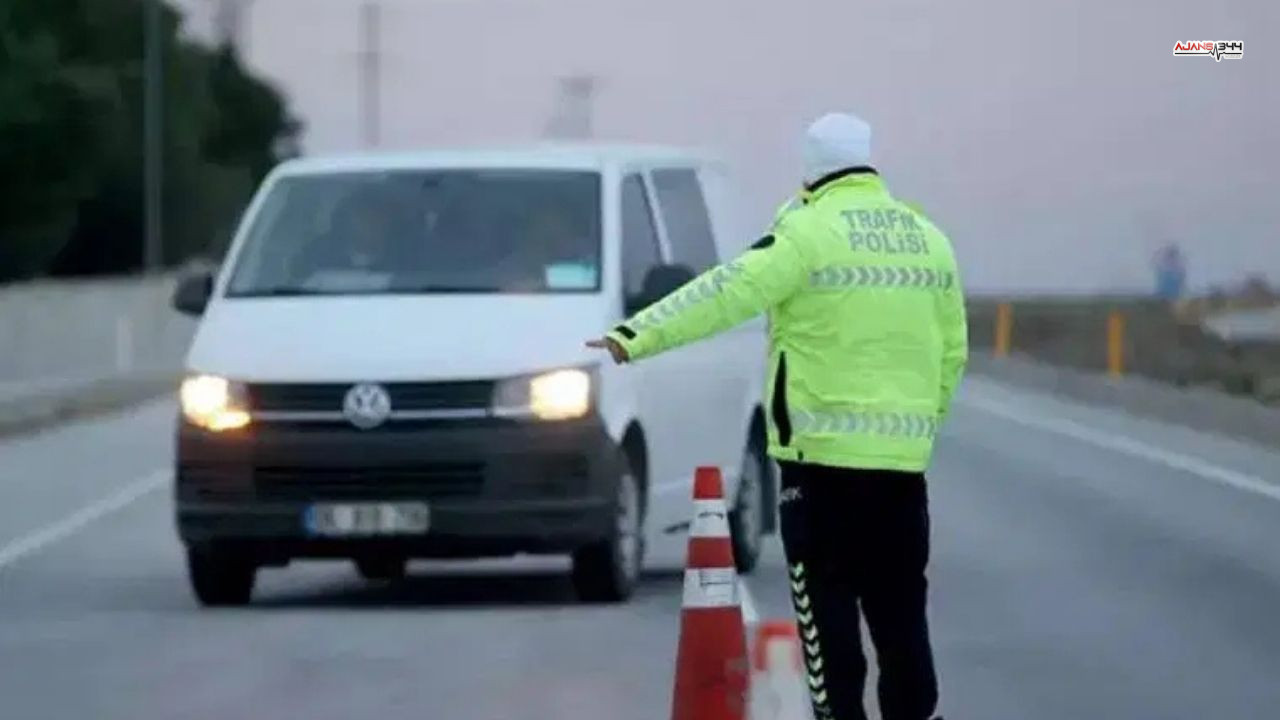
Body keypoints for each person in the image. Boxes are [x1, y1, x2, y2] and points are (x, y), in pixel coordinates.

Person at [586, 112, 966, 720]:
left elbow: (723, 292)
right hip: (900, 473)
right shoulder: (927, 238)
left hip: (820, 472)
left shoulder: (805, 233)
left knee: (829, 624)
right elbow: (951, 354)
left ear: (811, 169)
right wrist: (917, 429)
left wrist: (634, 335)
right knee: (901, 622)